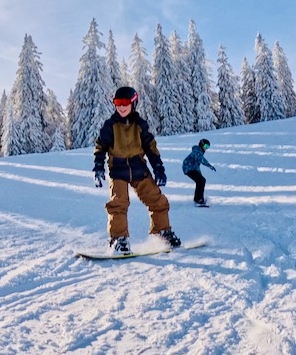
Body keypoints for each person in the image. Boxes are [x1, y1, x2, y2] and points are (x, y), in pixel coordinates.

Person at [93, 86, 180, 254]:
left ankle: (161, 232)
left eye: (125, 102)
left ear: (133, 103)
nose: (121, 106)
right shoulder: (110, 125)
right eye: (118, 103)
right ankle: (118, 238)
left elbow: (150, 147)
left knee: (157, 199)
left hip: (138, 167)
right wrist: (98, 167)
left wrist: (158, 167)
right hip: (118, 169)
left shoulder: (140, 124)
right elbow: (100, 146)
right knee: (118, 202)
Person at [181, 138, 216, 207]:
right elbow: (201, 159)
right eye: (206, 146)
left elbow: (197, 164)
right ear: (202, 144)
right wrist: (209, 165)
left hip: (190, 168)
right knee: (201, 180)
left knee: (201, 180)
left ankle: (199, 199)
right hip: (188, 168)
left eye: (208, 147)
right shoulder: (197, 151)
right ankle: (198, 199)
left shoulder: (198, 151)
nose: (206, 149)